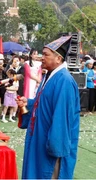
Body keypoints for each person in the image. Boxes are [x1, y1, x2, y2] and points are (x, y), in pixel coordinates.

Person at [16, 36, 80, 179]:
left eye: (46, 54)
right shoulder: (49, 76)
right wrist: (28, 103)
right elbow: (43, 103)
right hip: (39, 139)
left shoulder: (64, 81)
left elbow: (61, 119)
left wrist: (54, 149)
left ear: (58, 58)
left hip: (49, 147)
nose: (41, 57)